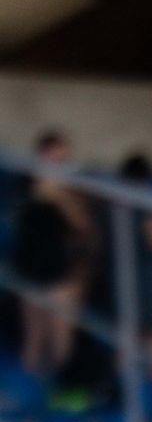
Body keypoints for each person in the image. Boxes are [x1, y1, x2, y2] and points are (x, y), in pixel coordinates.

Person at [12, 130, 98, 380]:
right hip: (30, 268)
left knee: (61, 341)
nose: (55, 165)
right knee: (34, 338)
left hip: (60, 273)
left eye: (61, 160)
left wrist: (59, 197)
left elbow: (83, 226)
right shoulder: (23, 183)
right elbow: (17, 219)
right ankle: (29, 401)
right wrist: (39, 192)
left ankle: (59, 392)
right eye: (51, 158)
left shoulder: (71, 190)